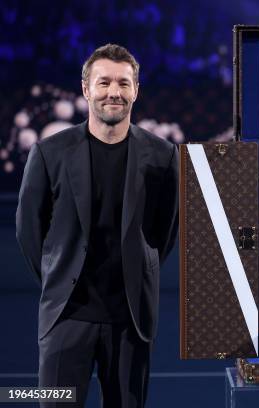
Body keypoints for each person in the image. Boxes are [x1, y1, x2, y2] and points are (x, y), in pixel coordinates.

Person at [16, 44, 178, 407]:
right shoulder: (48, 152)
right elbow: (30, 232)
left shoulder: (164, 156)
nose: (114, 93)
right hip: (65, 317)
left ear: (136, 90)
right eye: (104, 82)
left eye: (123, 83)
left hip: (130, 321)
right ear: (86, 88)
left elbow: (163, 233)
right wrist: (58, 277)